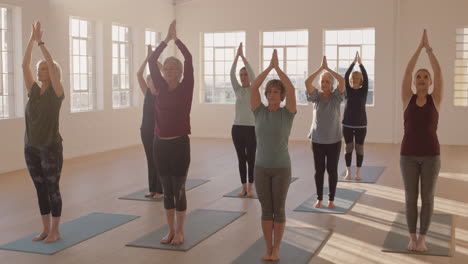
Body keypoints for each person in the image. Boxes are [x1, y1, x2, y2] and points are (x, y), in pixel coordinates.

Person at [148, 20, 193, 245]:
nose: (169, 72)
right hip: (160, 144)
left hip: (180, 145)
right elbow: (151, 59)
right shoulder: (160, 85)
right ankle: (170, 230)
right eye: (166, 69)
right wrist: (165, 40)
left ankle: (181, 230)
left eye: (173, 68)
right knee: (166, 190)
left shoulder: (187, 87)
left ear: (180, 72)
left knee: (179, 189)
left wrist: (177, 41)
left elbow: (190, 59)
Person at [251, 49, 296, 261]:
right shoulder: (258, 111)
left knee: (279, 209)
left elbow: (293, 88)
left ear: (281, 95)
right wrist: (268, 68)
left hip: (281, 168)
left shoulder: (287, 114)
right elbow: (253, 87)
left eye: (276, 92)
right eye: (269, 91)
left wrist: (278, 69)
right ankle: (267, 247)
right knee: (266, 209)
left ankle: (276, 248)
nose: (271, 95)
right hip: (260, 167)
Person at [400, 29, 443, 252]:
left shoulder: (435, 100)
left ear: (430, 82)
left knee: (427, 198)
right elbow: (407, 72)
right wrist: (418, 50)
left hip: (431, 156)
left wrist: (430, 50)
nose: (422, 79)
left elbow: (439, 71)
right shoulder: (407, 98)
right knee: (410, 197)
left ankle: (423, 238)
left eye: (425, 77)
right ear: (415, 81)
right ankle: (412, 236)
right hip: (407, 156)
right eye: (419, 76)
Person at [22, 21, 64, 243]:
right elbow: (24, 65)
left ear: (53, 71)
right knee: (40, 188)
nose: (40, 69)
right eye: (39, 68)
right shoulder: (34, 91)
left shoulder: (56, 92)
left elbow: (49, 60)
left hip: (50, 148)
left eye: (44, 67)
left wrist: (42, 43)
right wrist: (31, 39)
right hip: (31, 148)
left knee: (52, 188)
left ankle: (56, 230)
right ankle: (45, 229)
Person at [305, 56, 345, 209]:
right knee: (319, 170)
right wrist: (320, 70)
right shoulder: (316, 97)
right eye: (323, 81)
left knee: (332, 170)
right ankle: (319, 199)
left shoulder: (336, 97)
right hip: (317, 140)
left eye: (327, 81)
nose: (325, 84)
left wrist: (328, 70)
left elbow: (342, 81)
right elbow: (307, 82)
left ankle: (331, 200)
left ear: (332, 84)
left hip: (334, 140)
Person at [137, 45, 163, 199]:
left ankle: (160, 190)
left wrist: (155, 60)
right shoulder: (147, 93)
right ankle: (152, 189)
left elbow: (166, 73)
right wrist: (148, 58)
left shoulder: (162, 94)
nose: (150, 81)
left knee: (158, 159)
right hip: (145, 131)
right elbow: (138, 74)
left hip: (159, 131)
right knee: (150, 159)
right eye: (149, 79)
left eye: (152, 79)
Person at [230, 42, 256, 197]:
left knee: (251, 159)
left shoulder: (254, 88)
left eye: (245, 74)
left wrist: (243, 57)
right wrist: (236, 58)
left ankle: (252, 188)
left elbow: (253, 74)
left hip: (251, 128)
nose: (243, 77)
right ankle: (243, 187)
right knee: (241, 159)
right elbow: (231, 74)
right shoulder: (237, 89)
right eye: (241, 75)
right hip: (237, 128)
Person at [343, 52, 369, 181]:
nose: (355, 80)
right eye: (353, 79)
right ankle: (348, 172)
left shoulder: (364, 90)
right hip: (347, 124)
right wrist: (353, 63)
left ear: (361, 81)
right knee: (348, 148)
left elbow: (366, 76)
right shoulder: (348, 90)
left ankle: (358, 173)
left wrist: (361, 64)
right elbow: (346, 76)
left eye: (357, 79)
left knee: (359, 148)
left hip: (361, 125)